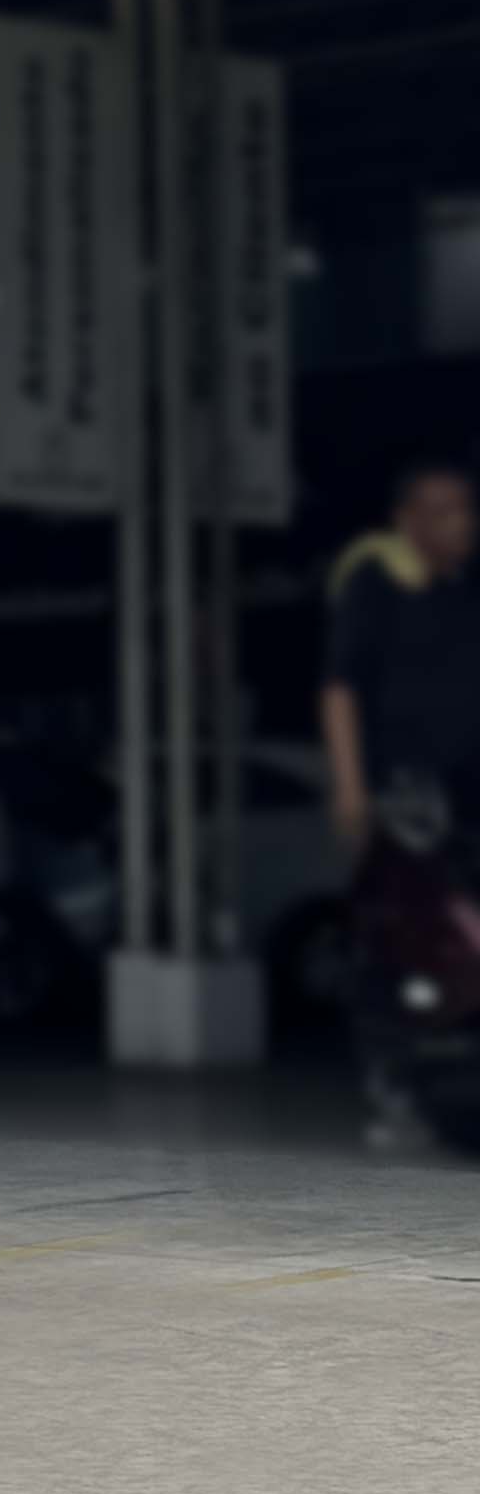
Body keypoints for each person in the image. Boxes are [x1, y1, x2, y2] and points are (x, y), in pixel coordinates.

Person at [321, 461, 480, 1149]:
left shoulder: (463, 595)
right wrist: (351, 786)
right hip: (405, 791)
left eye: (465, 508)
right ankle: (394, 1091)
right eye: (441, 509)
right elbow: (340, 687)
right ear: (406, 520)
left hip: (467, 793)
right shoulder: (375, 583)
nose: (459, 522)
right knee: (397, 935)